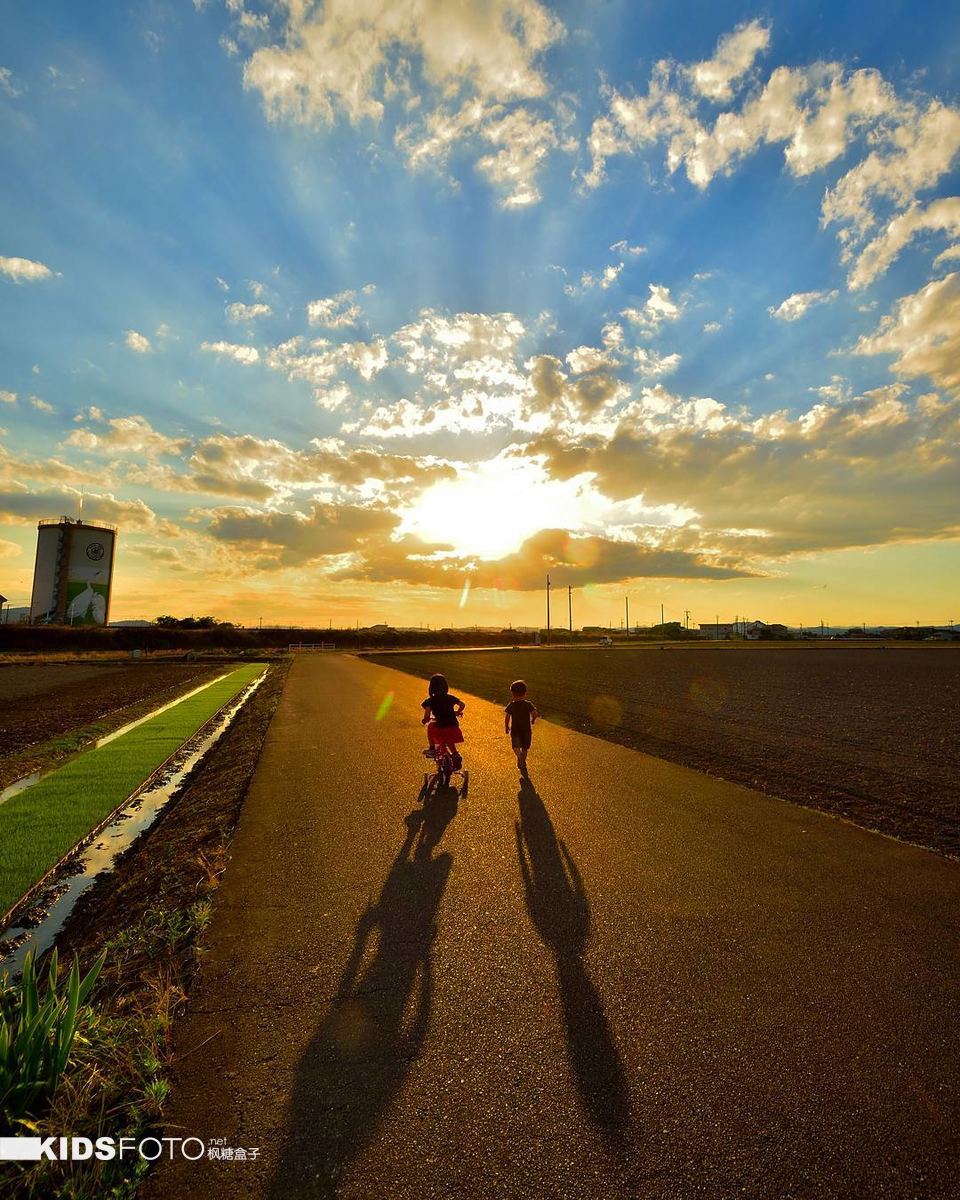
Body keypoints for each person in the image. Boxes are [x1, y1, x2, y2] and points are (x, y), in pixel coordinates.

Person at [421, 673, 465, 770]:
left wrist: (425, 719)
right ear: (445, 686)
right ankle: (455, 754)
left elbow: (427, 715)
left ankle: (432, 749)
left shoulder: (430, 701)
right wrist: (457, 712)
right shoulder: (450, 698)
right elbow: (462, 704)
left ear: (431, 688)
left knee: (431, 727)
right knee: (448, 740)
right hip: (453, 726)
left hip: (440, 727)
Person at [504, 679, 538, 777]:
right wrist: (533, 720)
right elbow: (535, 713)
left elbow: (507, 717)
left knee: (515, 747)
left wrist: (506, 726)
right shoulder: (528, 704)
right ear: (525, 693)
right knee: (525, 747)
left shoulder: (511, 705)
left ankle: (519, 757)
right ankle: (522, 759)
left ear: (512, 693)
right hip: (526, 730)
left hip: (515, 730)